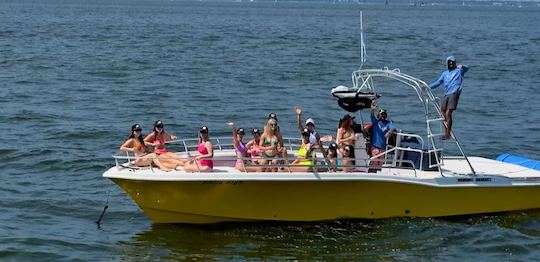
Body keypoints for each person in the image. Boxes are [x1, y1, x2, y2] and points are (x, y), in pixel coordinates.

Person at [423, 55, 469, 139]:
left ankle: (448, 134)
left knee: (448, 113)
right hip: (446, 94)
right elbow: (438, 82)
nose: (451, 64)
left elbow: (467, 68)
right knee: (442, 112)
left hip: (454, 93)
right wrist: (428, 87)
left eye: (452, 63)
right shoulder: (445, 74)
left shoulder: (459, 71)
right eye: (449, 63)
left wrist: (462, 66)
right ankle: (446, 131)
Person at [370, 101, 396, 169]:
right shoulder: (376, 122)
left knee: (381, 164)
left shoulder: (388, 123)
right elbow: (372, 116)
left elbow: (392, 128)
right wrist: (372, 109)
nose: (383, 116)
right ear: (379, 115)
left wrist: (389, 132)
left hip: (382, 147)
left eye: (384, 114)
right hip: (375, 146)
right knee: (375, 163)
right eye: (382, 114)